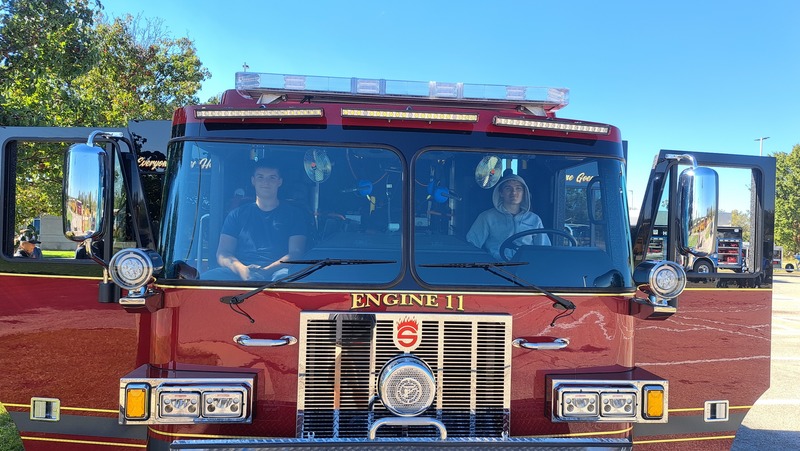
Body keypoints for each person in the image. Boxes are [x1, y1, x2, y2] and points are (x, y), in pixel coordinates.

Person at [203, 161, 309, 281]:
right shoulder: (236, 215)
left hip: (279, 273)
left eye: (272, 177)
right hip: (240, 272)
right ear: (253, 180)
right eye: (260, 177)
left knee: (287, 279)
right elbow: (223, 253)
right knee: (206, 279)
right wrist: (243, 270)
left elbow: (296, 254)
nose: (266, 182)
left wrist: (266, 271)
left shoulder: (295, 215)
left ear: (280, 181)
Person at [467, 174, 550, 260]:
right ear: (501, 193)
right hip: (495, 268)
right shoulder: (487, 217)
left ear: (524, 193)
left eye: (518, 188)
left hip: (526, 269)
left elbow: (545, 250)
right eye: (508, 188)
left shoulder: (535, 220)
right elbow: (471, 245)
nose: (513, 192)